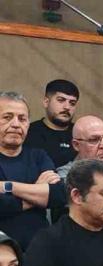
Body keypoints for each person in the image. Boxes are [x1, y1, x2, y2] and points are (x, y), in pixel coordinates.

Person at [0, 91, 64, 250]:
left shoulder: (38, 156)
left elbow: (57, 195)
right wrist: (37, 192)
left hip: (40, 250)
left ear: (28, 124)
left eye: (22, 119)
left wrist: (8, 186)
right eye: (7, 117)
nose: (16, 124)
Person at [23, 79, 79, 169]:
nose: (67, 107)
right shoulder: (28, 133)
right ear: (46, 102)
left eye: (72, 103)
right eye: (61, 100)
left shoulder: (81, 134)